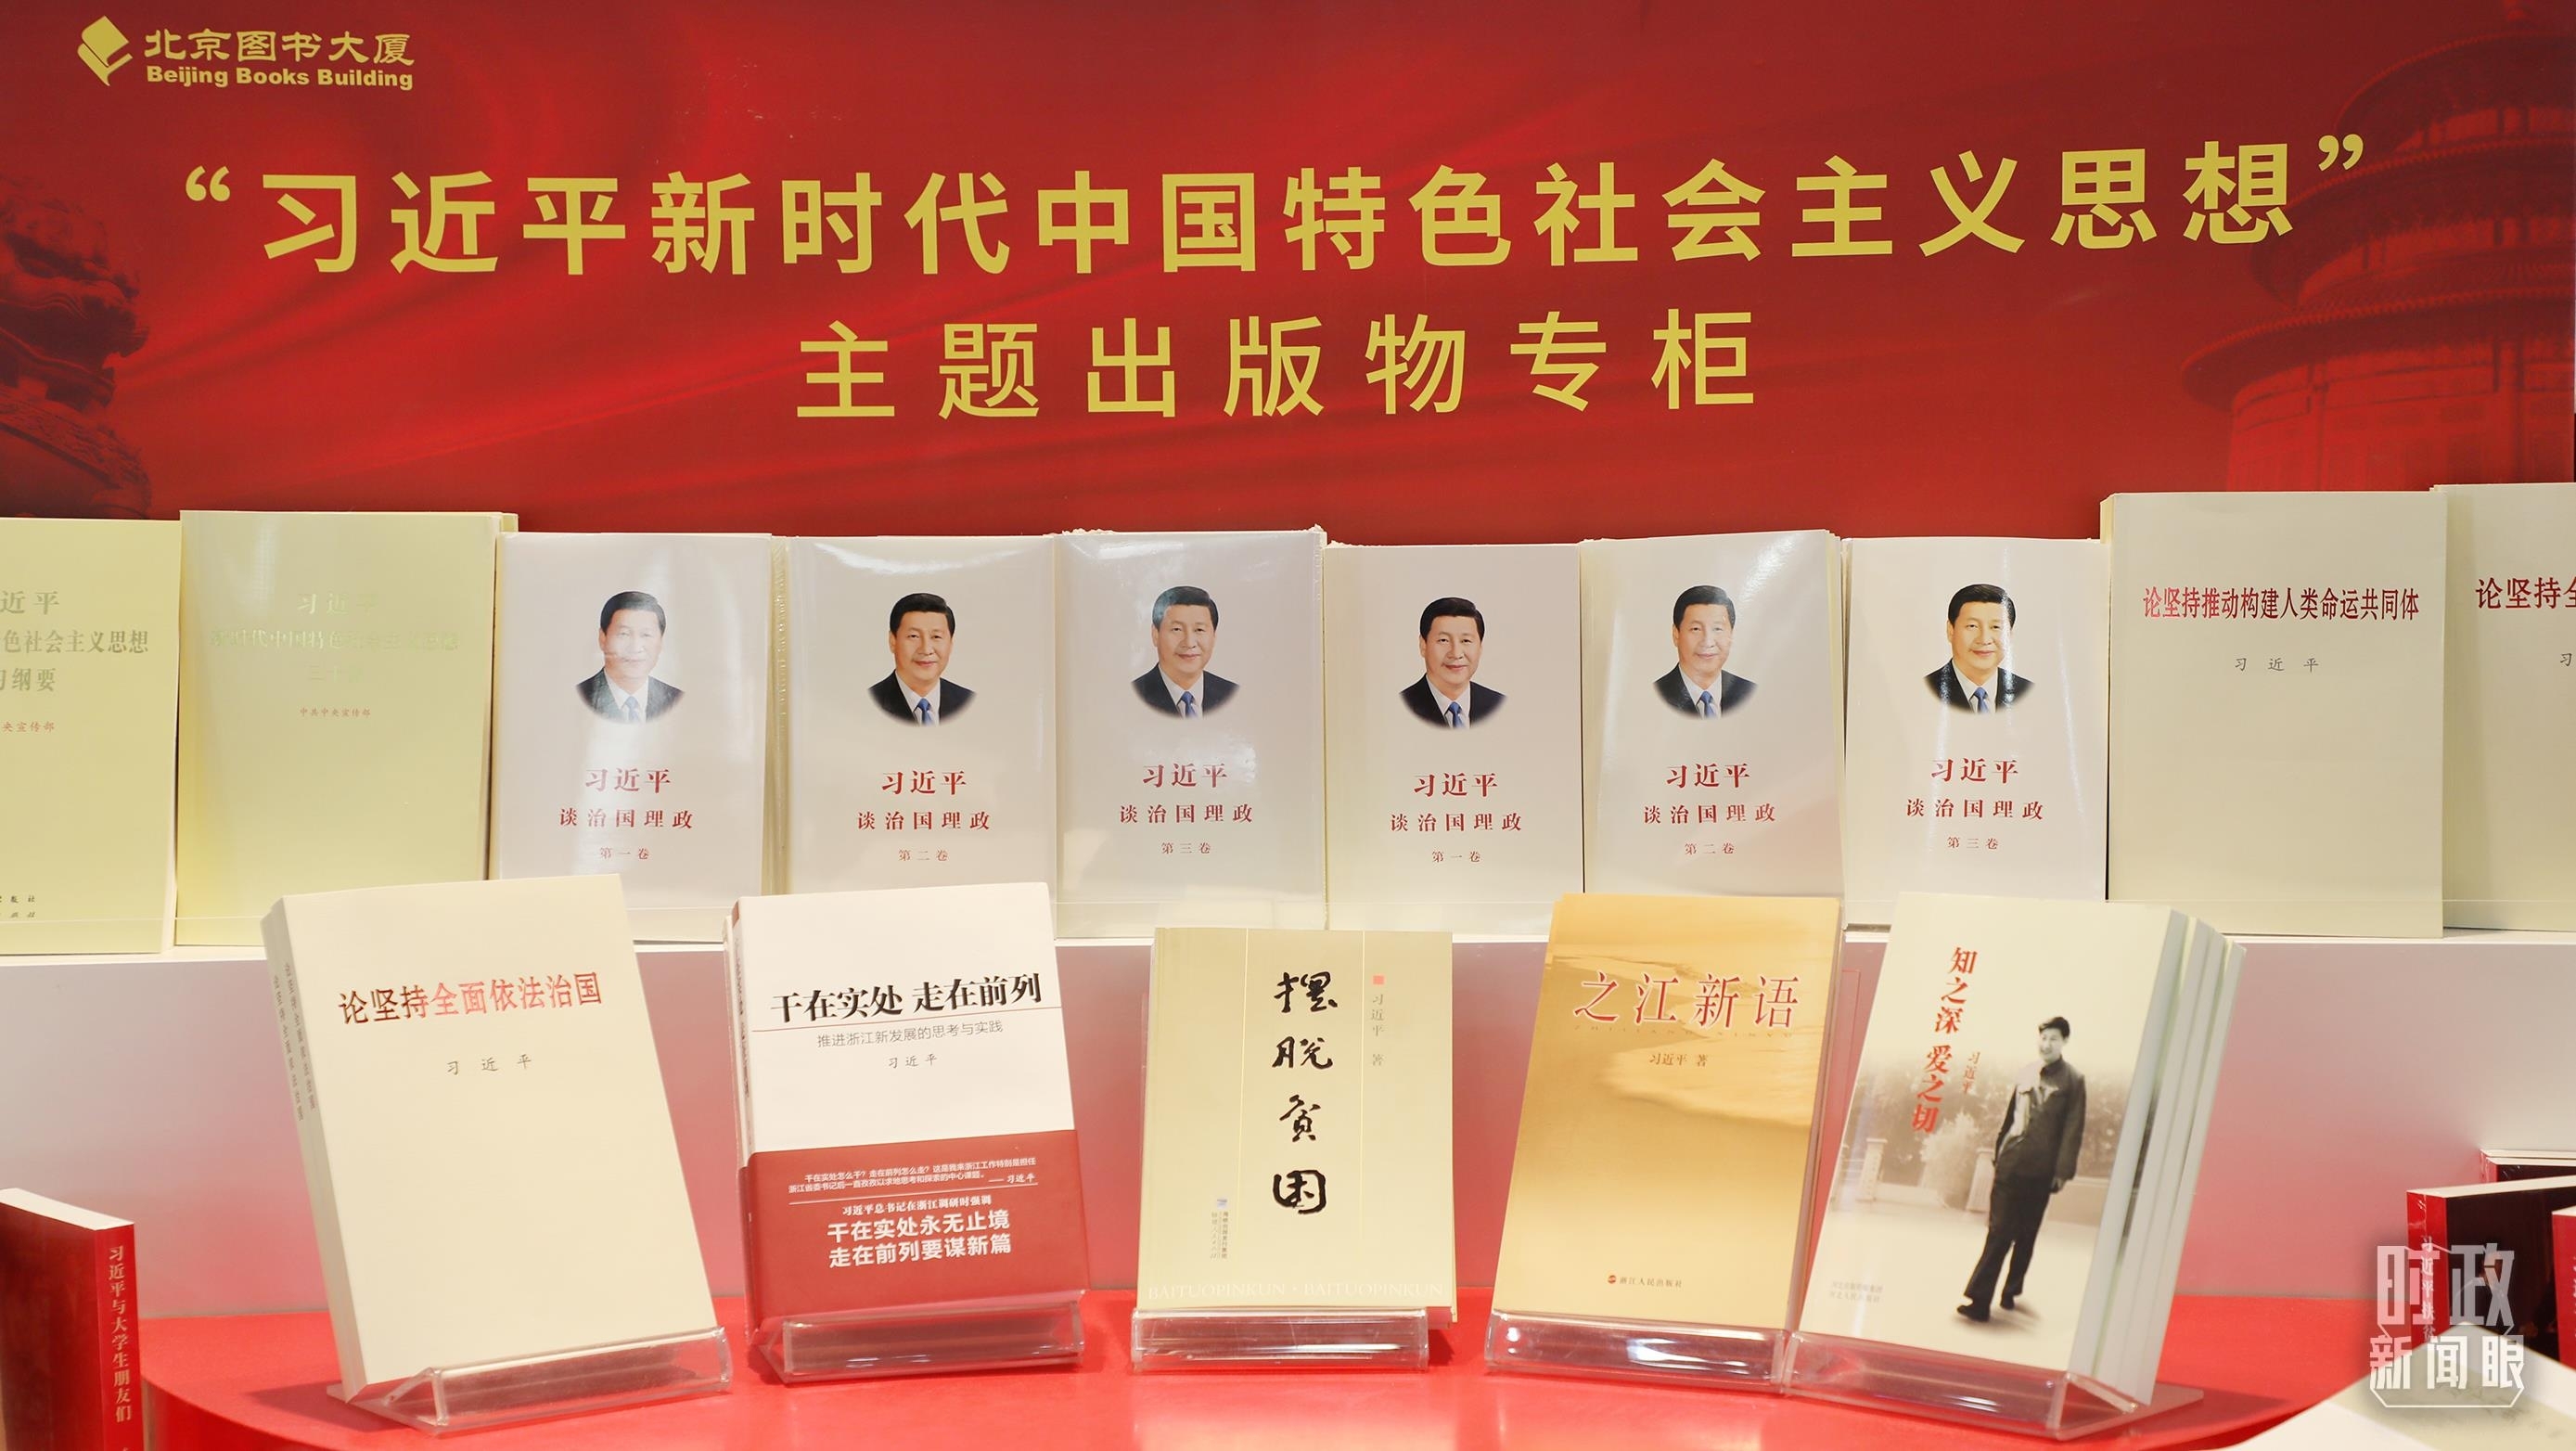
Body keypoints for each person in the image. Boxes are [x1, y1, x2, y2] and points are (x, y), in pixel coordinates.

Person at [1959, 1016, 2088, 1322]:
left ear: (2064, 1041)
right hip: (2011, 1163)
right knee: (1999, 1231)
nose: (2046, 1044)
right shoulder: (2026, 1073)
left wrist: (2062, 1172)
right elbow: (2010, 1116)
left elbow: (2073, 1129)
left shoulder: (2074, 1080)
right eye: (2043, 1038)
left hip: (2041, 1171)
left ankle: (2011, 1289)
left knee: (2026, 1235)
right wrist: (1999, 1152)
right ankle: (1979, 1300)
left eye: (2053, 1038)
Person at [576, 591, 683, 724]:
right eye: (624, 634)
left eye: (646, 635)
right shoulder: (578, 698)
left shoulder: (677, 700)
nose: (635, 648)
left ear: (661, 642)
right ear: (603, 638)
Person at [870, 592, 974, 726]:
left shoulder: (967, 701)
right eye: (914, 636)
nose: (926, 650)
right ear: (892, 641)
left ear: (950, 643)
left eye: (936, 637)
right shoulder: (871, 702)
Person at [1133, 584, 1237, 717]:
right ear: (1155, 635)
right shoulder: (1135, 696)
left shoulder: (1231, 694)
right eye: (1177, 629)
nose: (1189, 643)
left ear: (1214, 636)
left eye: (1199, 630)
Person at [1401, 597, 1505, 728]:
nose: (1456, 654)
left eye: (1466, 641)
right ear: (1423, 645)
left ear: (1480, 647)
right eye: (1443, 640)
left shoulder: (1498, 705)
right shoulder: (1402, 706)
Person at [1928, 584, 2033, 713]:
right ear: (1951, 630)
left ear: (2010, 634)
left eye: (1996, 627)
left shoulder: (2027, 692)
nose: (1984, 640)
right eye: (1972, 626)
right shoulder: (1927, 690)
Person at [1654, 584, 1755, 718]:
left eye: (1717, 629)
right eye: (1696, 629)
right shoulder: (1656, 695)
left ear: (1731, 635)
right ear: (1676, 634)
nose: (1707, 642)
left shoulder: (1749, 692)